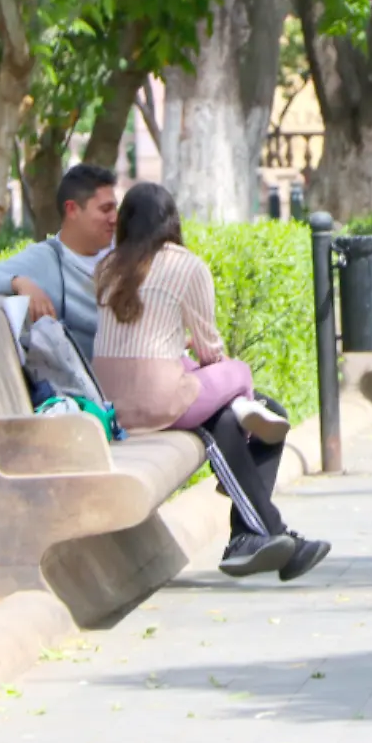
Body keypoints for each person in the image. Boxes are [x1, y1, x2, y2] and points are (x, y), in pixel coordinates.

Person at [92, 182, 330, 583]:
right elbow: (211, 352)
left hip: (115, 403)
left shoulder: (106, 266)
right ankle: (256, 530)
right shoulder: (187, 265)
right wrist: (212, 365)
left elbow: (136, 338)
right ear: (171, 221)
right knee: (241, 381)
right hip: (161, 400)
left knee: (247, 415)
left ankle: (256, 536)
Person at [0, 164, 118, 359]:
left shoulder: (125, 255)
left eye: (115, 208)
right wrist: (17, 282)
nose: (114, 218)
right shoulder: (44, 260)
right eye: (105, 210)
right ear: (72, 209)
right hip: (87, 383)